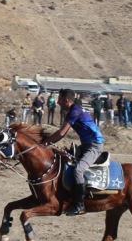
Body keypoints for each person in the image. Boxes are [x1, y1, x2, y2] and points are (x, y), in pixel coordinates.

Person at [41, 88, 105, 216]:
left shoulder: (75, 110)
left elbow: (62, 133)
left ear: (66, 100)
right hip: (85, 145)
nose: (57, 102)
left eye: (59, 99)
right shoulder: (72, 110)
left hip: (95, 146)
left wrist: (44, 143)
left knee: (78, 170)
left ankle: (79, 205)